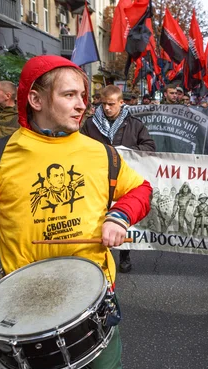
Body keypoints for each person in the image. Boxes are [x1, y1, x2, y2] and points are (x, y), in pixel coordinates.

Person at [0, 55, 152, 369]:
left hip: (93, 292)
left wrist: (119, 216)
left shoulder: (101, 153)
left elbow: (140, 190)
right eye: (69, 95)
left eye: (83, 96)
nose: (82, 105)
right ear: (36, 99)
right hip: (28, 299)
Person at [81, 84, 155, 273]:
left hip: (124, 179)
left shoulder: (135, 124)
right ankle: (96, 258)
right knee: (96, 217)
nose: (106, 108)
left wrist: (128, 153)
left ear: (121, 103)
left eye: (111, 104)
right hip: (97, 179)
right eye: (104, 104)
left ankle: (125, 256)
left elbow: (149, 147)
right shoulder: (90, 124)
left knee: (121, 218)